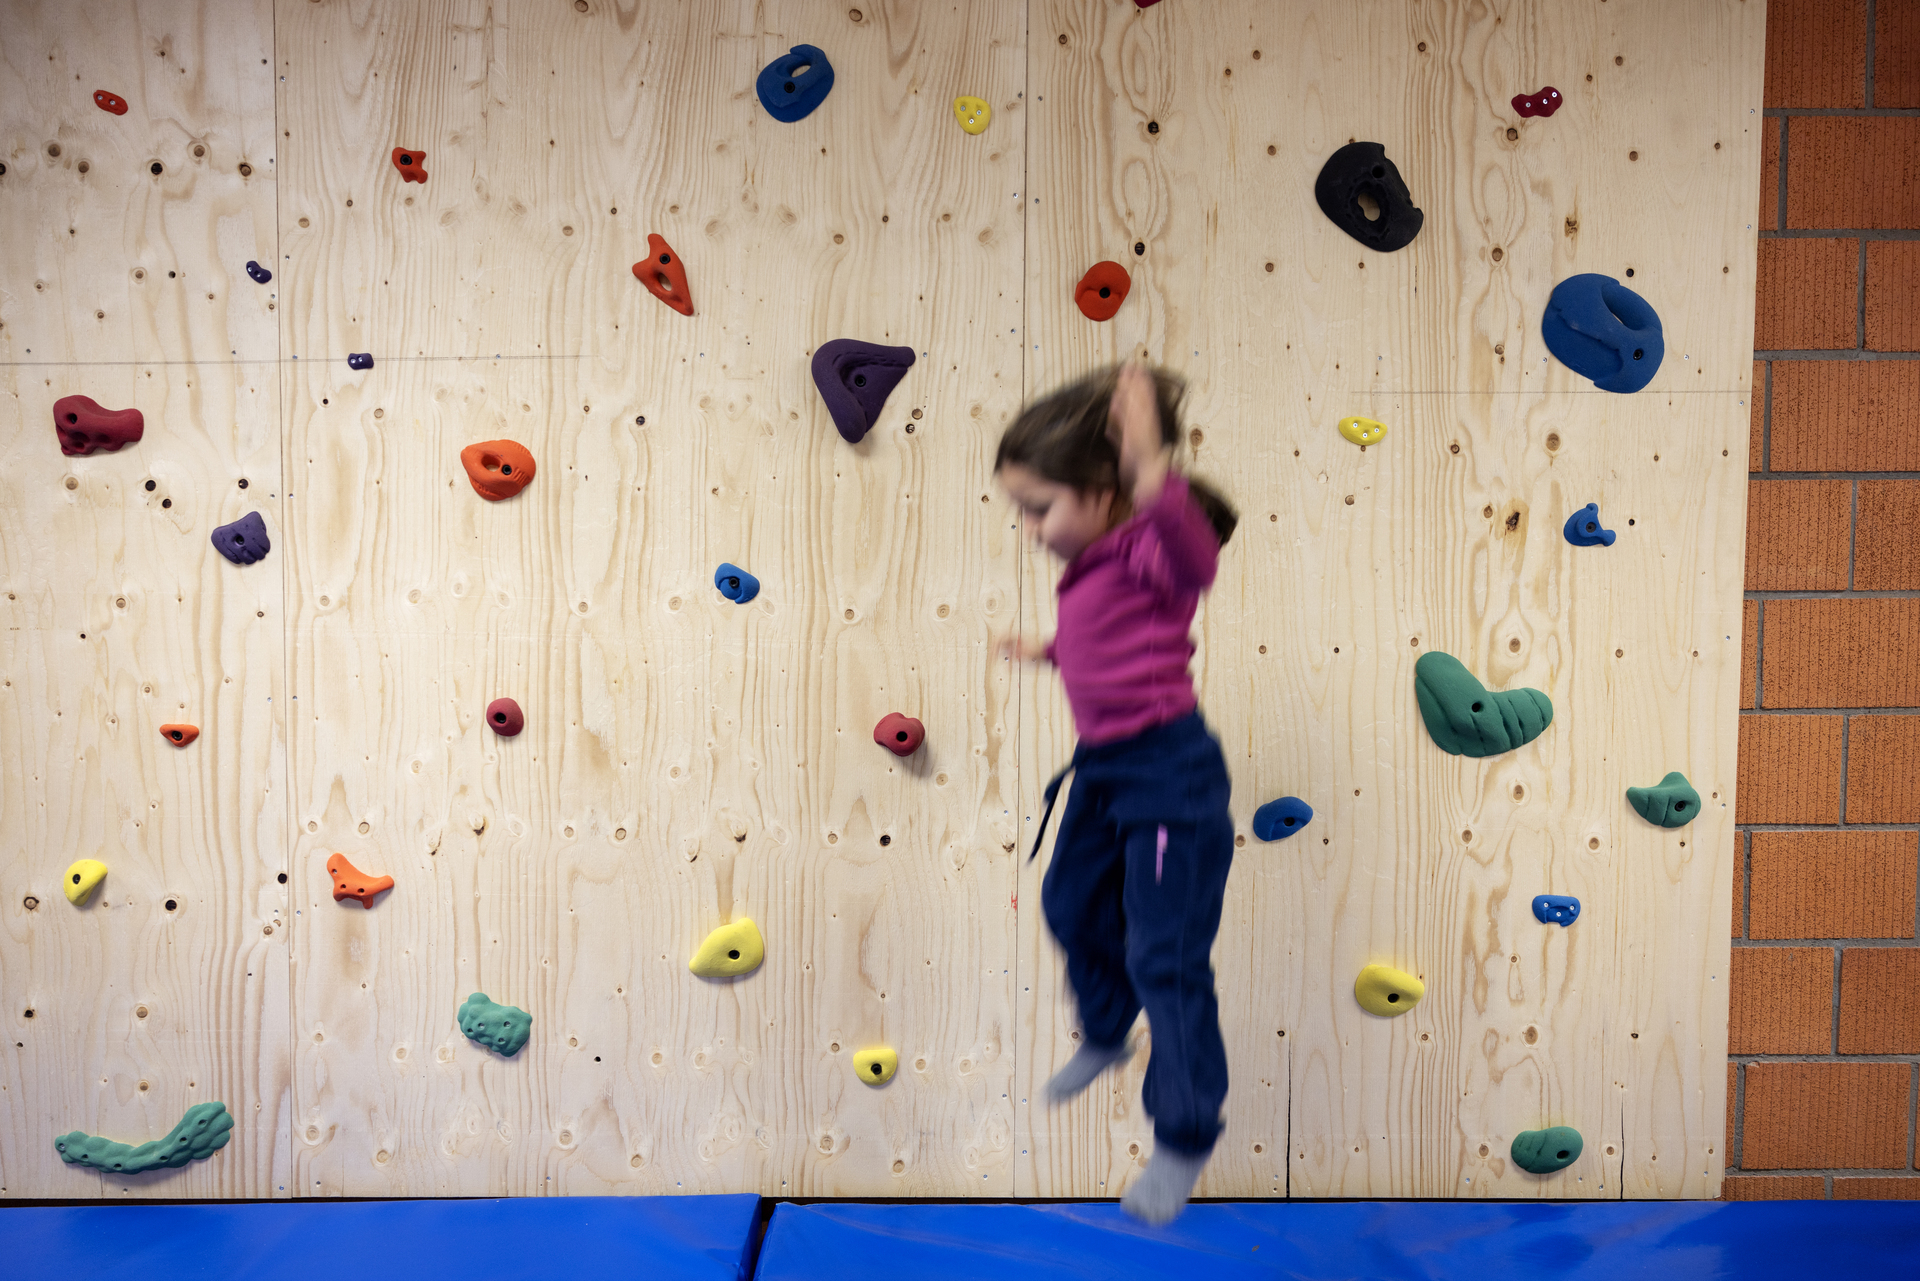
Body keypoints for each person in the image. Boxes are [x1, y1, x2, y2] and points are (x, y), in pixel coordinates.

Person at [996, 361, 1238, 1225]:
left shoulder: (1155, 542)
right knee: (1066, 899)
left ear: (1109, 491)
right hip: (1105, 769)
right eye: (1019, 508)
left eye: (1040, 505)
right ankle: (1106, 1026)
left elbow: (1194, 560)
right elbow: (1119, 640)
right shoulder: (1102, 562)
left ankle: (1182, 1132)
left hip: (1168, 776)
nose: (1029, 527)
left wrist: (1149, 464)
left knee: (1165, 960)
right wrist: (1048, 650)